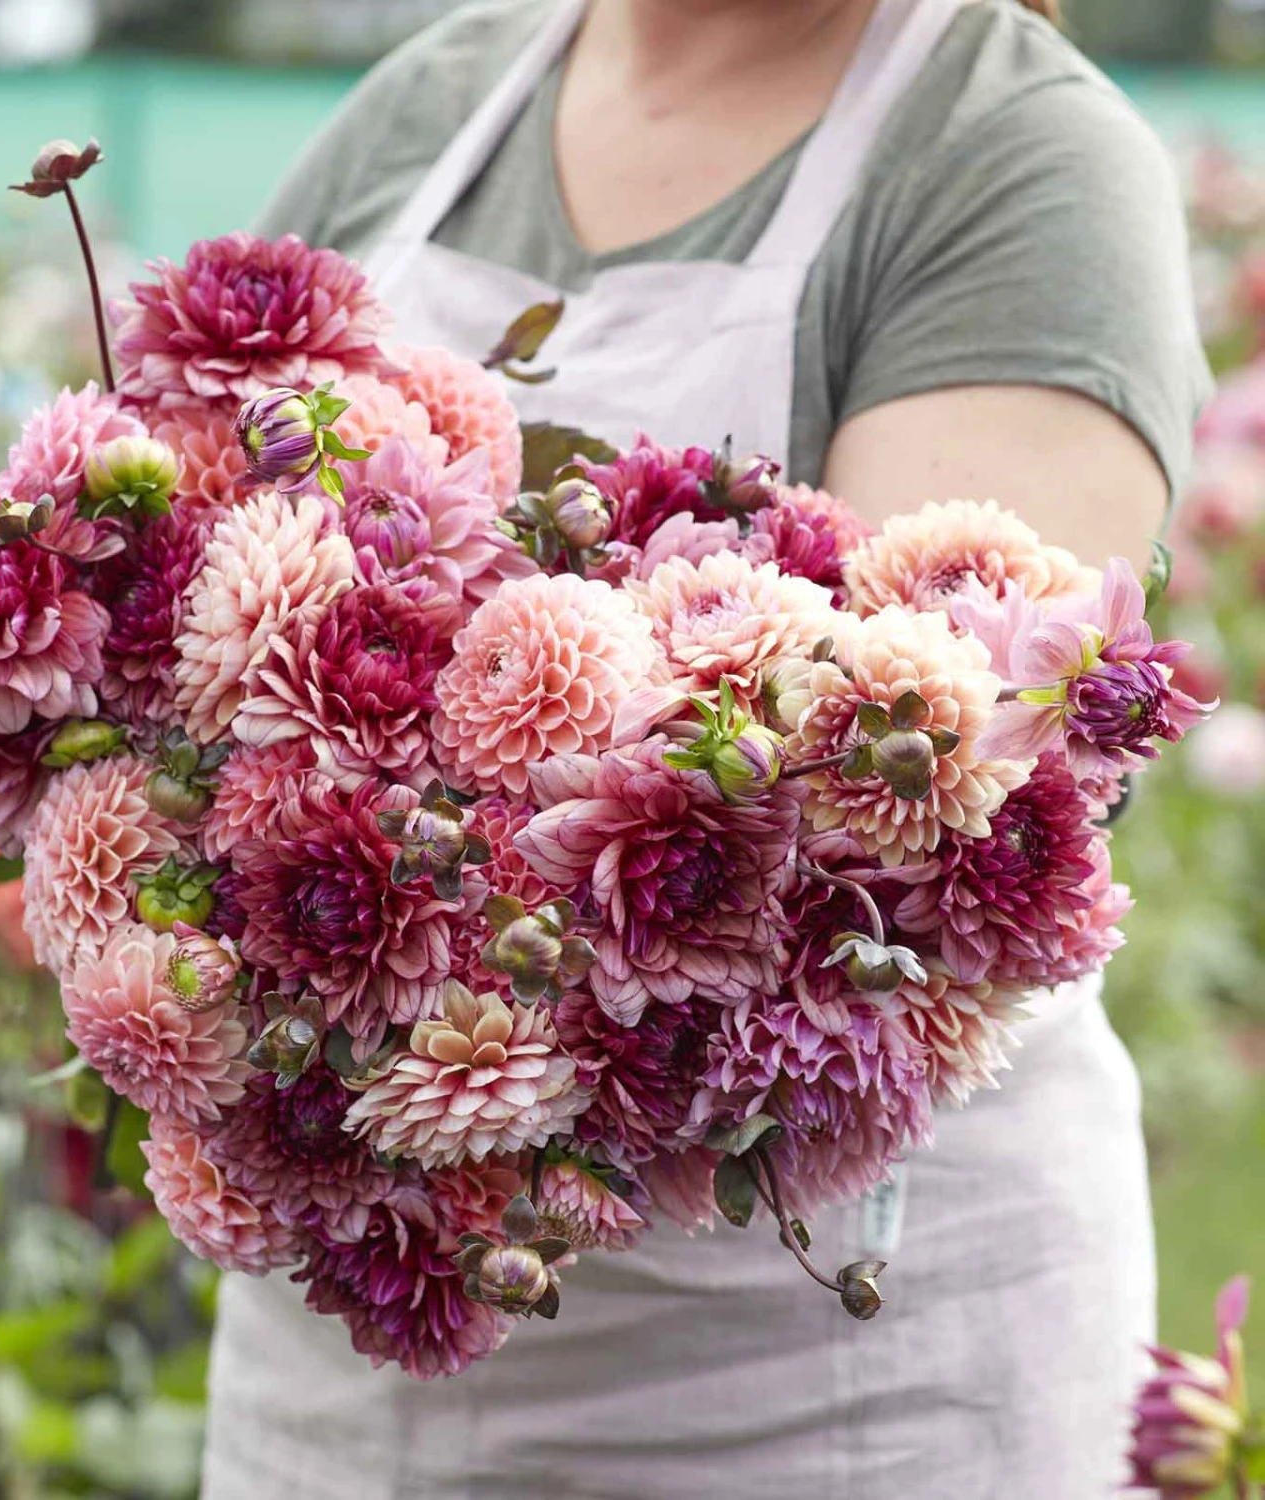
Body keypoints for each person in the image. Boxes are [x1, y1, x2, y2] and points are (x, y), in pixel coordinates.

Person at [203, 2, 1212, 1496]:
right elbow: (174, 582)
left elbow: (906, 806)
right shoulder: (436, 102)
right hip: (347, 1364)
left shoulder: (1016, 152)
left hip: (820, 1385)